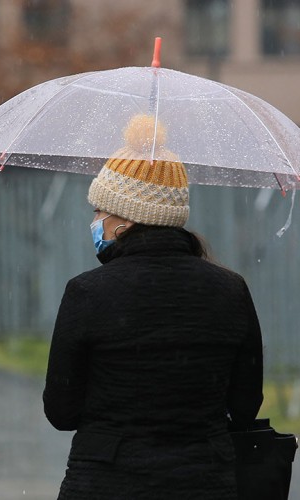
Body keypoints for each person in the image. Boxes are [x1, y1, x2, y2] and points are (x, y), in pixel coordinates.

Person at [43, 114, 263, 499]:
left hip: (105, 483)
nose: (95, 221)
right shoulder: (230, 290)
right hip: (205, 484)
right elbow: (244, 407)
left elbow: (61, 411)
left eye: (99, 211)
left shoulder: (88, 293)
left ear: (125, 220)